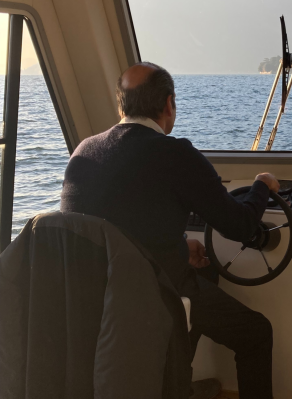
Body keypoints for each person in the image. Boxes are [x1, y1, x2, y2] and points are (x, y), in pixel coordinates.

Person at [61, 62, 279, 399]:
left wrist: (178, 246)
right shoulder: (176, 155)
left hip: (91, 300)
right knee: (257, 332)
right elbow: (242, 226)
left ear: (121, 106)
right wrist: (261, 186)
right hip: (150, 297)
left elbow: (120, 223)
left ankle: (174, 382)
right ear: (169, 104)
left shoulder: (83, 153)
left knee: (206, 275)